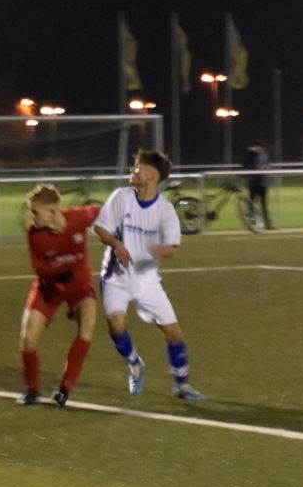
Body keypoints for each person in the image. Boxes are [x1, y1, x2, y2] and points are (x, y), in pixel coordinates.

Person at [92, 150, 205, 401]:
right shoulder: (121, 197)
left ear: (152, 176)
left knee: (173, 332)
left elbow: (172, 247)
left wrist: (160, 250)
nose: (133, 171)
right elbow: (99, 228)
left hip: (148, 281)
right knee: (116, 325)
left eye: (138, 167)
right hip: (116, 278)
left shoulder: (165, 210)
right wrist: (116, 244)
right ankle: (135, 363)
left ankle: (183, 385)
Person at [17, 184, 101, 408]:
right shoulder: (35, 234)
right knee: (28, 340)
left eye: (36, 212)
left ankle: (64, 390)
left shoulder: (79, 218)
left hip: (79, 288)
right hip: (49, 288)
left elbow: (106, 211)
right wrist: (57, 275)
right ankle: (32, 390)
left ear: (52, 210)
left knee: (88, 324)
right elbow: (39, 268)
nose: (32, 217)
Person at [245, 143, 273, 230]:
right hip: (253, 183)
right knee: (251, 205)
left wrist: (267, 168)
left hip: (262, 183)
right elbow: (245, 164)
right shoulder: (251, 154)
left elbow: (267, 165)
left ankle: (267, 224)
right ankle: (252, 224)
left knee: (263, 205)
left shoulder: (265, 155)